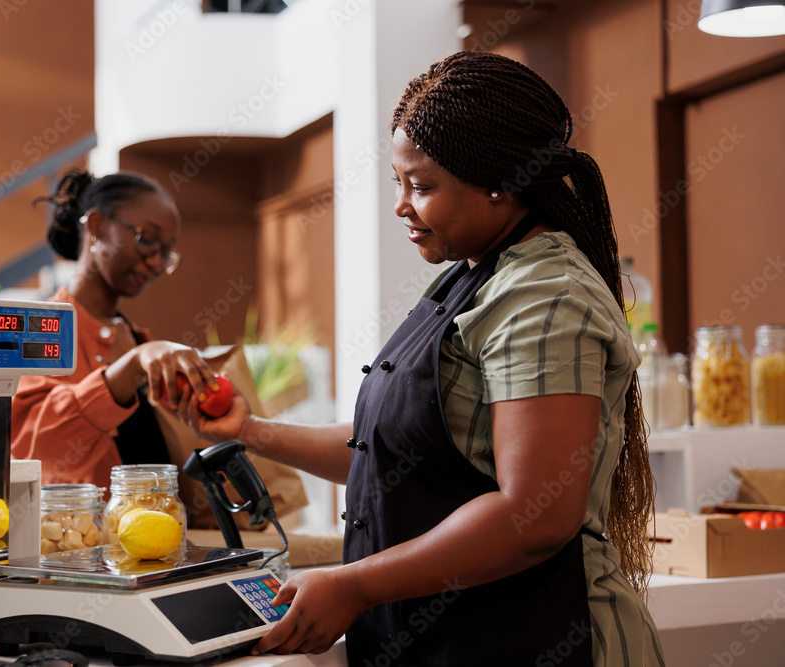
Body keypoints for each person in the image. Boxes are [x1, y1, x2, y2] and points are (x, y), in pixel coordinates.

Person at [175, 51, 666, 665]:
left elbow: (533, 516)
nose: (403, 205)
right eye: (398, 183)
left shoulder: (544, 298)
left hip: (535, 637)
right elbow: (393, 448)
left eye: (423, 186)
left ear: (501, 181)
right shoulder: (472, 274)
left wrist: (354, 584)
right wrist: (249, 432)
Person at [11, 168, 221, 489]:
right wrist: (131, 365)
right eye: (147, 240)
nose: (156, 263)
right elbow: (35, 450)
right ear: (96, 226)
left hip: (156, 530)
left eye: (166, 252)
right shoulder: (44, 328)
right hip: (89, 535)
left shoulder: (132, 335)